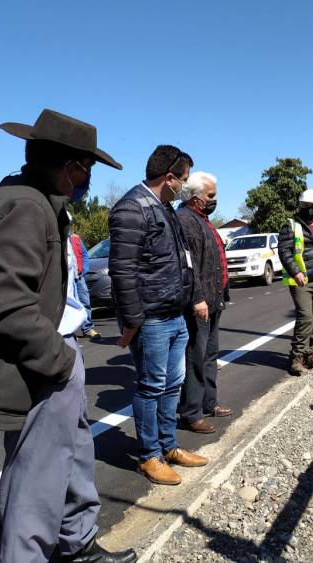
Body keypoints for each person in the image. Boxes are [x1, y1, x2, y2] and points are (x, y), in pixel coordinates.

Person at [0, 109, 136, 563]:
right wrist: (60, 361)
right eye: (85, 170)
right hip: (40, 361)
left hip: (54, 352)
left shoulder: (37, 200)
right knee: (38, 478)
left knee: (72, 459)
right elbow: (5, 304)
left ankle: (77, 545)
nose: (85, 180)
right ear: (70, 168)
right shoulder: (27, 207)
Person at [109, 145, 207, 486]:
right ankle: (149, 455)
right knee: (150, 387)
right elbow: (122, 271)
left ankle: (169, 447)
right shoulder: (132, 209)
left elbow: (182, 260)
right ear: (169, 178)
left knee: (171, 385)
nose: (184, 185)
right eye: (182, 179)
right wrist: (133, 321)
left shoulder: (164, 208)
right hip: (150, 319)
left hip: (174, 315)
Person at [176, 172, 233, 434]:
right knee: (196, 358)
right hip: (200, 304)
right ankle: (191, 412)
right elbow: (189, 268)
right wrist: (198, 298)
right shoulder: (186, 221)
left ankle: (209, 402)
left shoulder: (203, 219)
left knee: (210, 355)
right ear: (196, 198)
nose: (215, 199)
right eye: (211, 195)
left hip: (213, 300)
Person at [278, 189, 313, 376]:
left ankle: (311, 354)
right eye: (306, 206)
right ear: (300, 206)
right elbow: (285, 252)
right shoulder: (290, 226)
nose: (310, 209)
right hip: (301, 281)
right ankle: (296, 357)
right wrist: (295, 272)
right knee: (305, 318)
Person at [71, 231, 101, 341]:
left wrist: (84, 270)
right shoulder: (59, 238)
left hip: (79, 277)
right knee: (69, 305)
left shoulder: (76, 238)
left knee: (85, 301)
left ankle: (87, 329)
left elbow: (84, 254)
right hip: (66, 279)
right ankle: (69, 333)